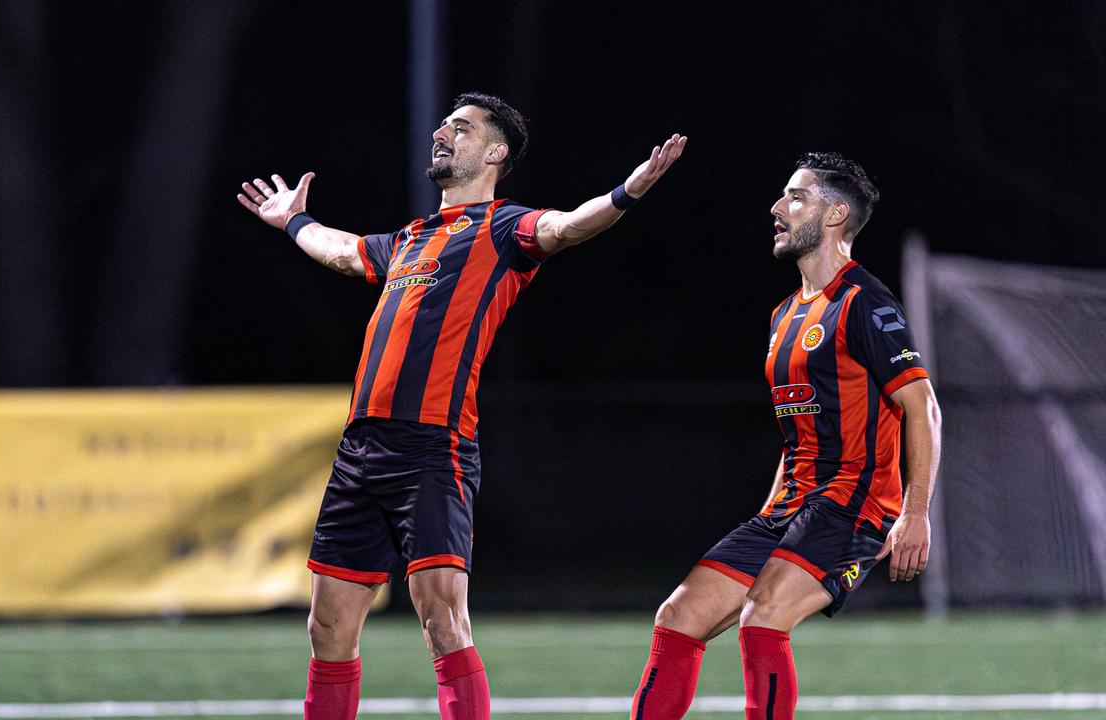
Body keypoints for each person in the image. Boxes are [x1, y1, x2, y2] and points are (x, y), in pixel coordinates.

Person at [237, 92, 686, 720]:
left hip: (431, 448)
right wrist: (292, 221)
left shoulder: (505, 229)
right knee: (327, 627)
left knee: (442, 620)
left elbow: (566, 227)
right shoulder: (410, 239)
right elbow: (342, 251)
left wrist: (627, 191)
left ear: (495, 152)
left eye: (462, 128)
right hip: (359, 452)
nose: (442, 134)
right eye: (444, 125)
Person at [628, 153, 942, 720]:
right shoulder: (783, 317)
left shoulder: (865, 303)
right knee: (677, 618)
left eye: (796, 197)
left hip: (856, 505)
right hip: (792, 506)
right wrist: (773, 513)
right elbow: (797, 436)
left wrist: (915, 512)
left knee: (763, 614)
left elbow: (923, 409)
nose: (777, 208)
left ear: (834, 215)